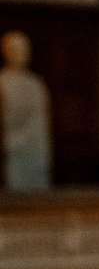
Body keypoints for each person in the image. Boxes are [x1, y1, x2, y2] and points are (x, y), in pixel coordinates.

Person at [0, 30, 53, 190]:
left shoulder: (36, 84)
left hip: (36, 151)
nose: (20, 53)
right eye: (15, 49)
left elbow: (41, 121)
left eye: (24, 48)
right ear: (5, 52)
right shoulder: (2, 82)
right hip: (12, 149)